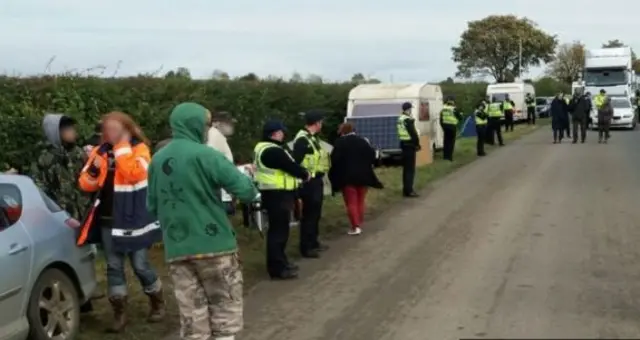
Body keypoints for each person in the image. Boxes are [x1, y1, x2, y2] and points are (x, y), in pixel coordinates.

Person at [147, 103, 258, 340]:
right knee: (224, 308)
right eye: (206, 125)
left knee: (192, 315)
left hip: (178, 247)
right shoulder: (207, 155)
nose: (207, 130)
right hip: (215, 245)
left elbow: (151, 205)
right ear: (197, 125)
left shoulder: (157, 160)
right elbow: (245, 191)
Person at [77, 112, 164, 333]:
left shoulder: (140, 150)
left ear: (128, 129)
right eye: (108, 129)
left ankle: (157, 301)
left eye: (116, 129)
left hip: (136, 219)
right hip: (108, 219)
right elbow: (86, 184)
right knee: (113, 266)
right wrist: (95, 168)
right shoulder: (100, 151)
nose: (110, 133)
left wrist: (122, 148)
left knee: (140, 265)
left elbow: (135, 174)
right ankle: (120, 314)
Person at [254, 120, 309, 279]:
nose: (284, 134)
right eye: (281, 132)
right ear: (275, 133)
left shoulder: (261, 147)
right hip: (277, 194)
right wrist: (305, 174)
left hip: (273, 194)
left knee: (278, 230)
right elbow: (290, 167)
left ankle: (281, 262)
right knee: (278, 232)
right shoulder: (273, 150)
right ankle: (277, 268)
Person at [31, 114, 88, 227]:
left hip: (83, 214)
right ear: (56, 132)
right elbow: (39, 190)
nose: (73, 132)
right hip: (60, 218)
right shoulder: (44, 158)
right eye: (68, 129)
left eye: (72, 128)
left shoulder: (78, 153)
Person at [328, 123, 383, 236]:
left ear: (342, 131)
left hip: (347, 177)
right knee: (360, 201)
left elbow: (334, 160)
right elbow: (372, 156)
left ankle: (355, 226)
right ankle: (359, 222)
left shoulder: (340, 143)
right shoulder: (363, 141)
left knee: (351, 202)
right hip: (364, 177)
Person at [293, 110, 330, 258]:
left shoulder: (312, 138)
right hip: (308, 182)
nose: (322, 125)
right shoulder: (302, 140)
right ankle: (306, 247)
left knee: (315, 214)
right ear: (316, 123)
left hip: (316, 180)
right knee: (308, 215)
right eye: (321, 122)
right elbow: (296, 162)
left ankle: (314, 241)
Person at [396, 102, 420, 197]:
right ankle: (409, 190)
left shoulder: (400, 119)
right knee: (410, 169)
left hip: (403, 144)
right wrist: (417, 144)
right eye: (411, 109)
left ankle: (405, 190)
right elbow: (413, 133)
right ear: (408, 109)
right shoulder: (408, 120)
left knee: (406, 169)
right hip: (410, 145)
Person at [440, 96, 462, 161]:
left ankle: (445, 156)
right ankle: (449, 157)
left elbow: (441, 118)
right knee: (451, 142)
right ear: (452, 102)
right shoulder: (454, 109)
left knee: (446, 141)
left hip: (445, 126)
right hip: (452, 126)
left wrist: (443, 126)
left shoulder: (443, 108)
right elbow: (460, 117)